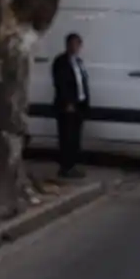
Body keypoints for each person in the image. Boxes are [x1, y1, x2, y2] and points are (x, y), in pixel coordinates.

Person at [52, 32, 90, 179]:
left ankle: (73, 166)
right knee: (66, 137)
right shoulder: (61, 61)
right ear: (67, 45)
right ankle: (65, 167)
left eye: (78, 44)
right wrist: (68, 102)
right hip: (67, 106)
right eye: (73, 44)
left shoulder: (79, 62)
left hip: (79, 105)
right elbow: (60, 83)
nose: (75, 47)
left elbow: (82, 83)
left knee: (75, 138)